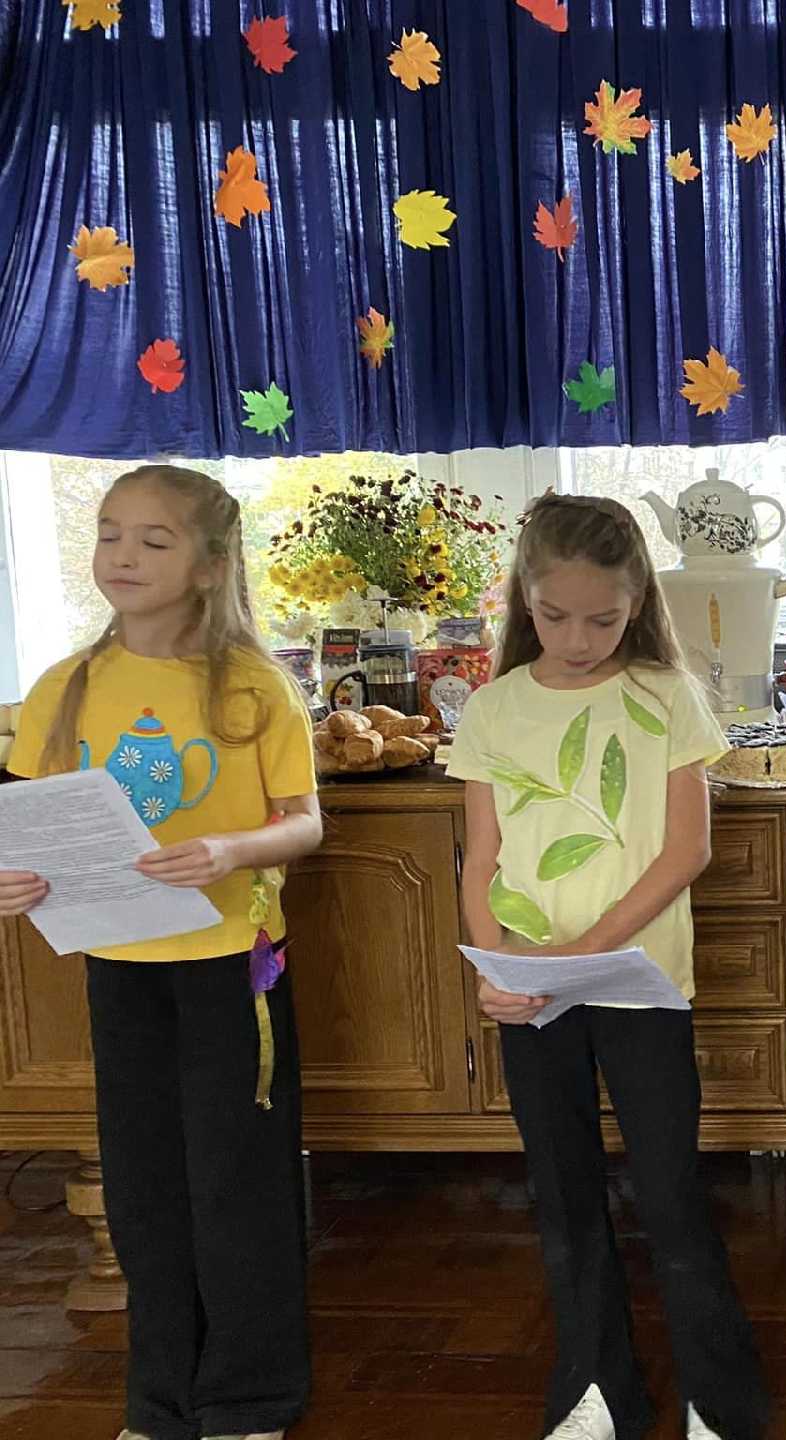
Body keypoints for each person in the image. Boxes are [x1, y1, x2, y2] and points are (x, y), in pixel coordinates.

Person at [1, 465, 323, 1440]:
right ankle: (159, 1401)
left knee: (237, 1179)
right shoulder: (64, 687)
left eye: (153, 539)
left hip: (234, 966)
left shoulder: (256, 687)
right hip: (118, 965)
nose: (123, 555)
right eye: (110, 534)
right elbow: (27, 824)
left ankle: (248, 1398)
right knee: (142, 1188)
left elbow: (304, 822)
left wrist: (232, 850)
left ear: (210, 564)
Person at [445, 494, 769, 1440]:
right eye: (556, 618)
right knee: (562, 1192)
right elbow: (481, 857)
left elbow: (686, 850)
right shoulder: (493, 708)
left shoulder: (667, 696)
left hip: (641, 986)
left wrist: (585, 954)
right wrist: (496, 968)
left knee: (670, 1192)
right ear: (526, 600)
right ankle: (594, 1389)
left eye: (603, 619)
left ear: (637, 604)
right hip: (529, 994)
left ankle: (719, 1399)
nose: (579, 640)